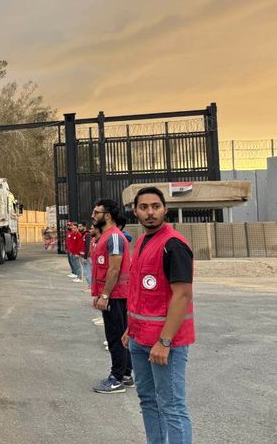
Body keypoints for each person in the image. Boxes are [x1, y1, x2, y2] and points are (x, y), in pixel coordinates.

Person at [123, 186, 195, 444]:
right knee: (148, 401)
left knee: (172, 407)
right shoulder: (142, 242)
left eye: (156, 206)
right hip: (140, 341)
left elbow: (182, 296)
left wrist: (164, 342)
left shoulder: (173, 245)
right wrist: (130, 328)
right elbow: (142, 293)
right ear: (135, 212)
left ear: (165, 209)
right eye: (144, 207)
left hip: (166, 344)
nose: (150, 212)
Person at [90, 198, 133, 393]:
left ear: (107, 216)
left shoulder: (114, 237)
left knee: (115, 337)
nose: (93, 216)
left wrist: (105, 295)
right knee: (120, 335)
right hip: (114, 295)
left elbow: (114, 269)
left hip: (116, 296)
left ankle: (116, 378)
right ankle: (125, 373)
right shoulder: (108, 237)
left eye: (96, 212)